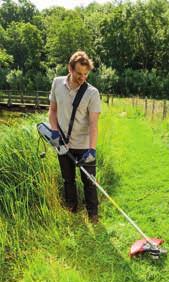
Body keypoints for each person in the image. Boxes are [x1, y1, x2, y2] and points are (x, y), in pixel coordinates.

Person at [48, 51, 101, 223]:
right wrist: (54, 132)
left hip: (84, 145)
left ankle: (93, 214)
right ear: (69, 68)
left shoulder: (92, 93)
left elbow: (94, 124)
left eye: (86, 74)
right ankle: (71, 209)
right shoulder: (57, 83)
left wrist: (91, 149)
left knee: (90, 182)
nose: (82, 78)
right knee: (68, 180)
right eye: (79, 73)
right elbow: (53, 111)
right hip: (62, 143)